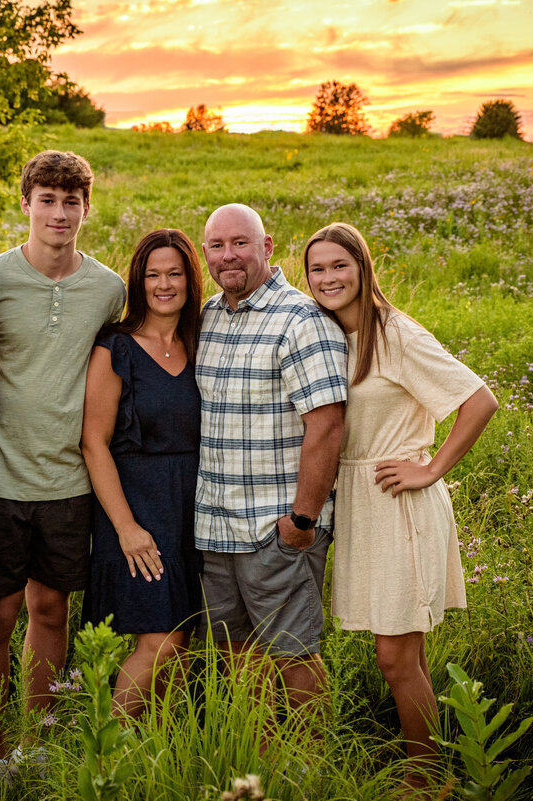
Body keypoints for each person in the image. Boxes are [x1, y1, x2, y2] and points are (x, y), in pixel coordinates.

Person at [303, 222, 498, 789]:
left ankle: (426, 779)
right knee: (396, 654)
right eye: (317, 268)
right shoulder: (330, 333)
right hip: (358, 504)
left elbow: (479, 400)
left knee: (396, 656)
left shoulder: (395, 333)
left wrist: (431, 467)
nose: (329, 277)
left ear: (363, 268)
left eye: (340, 265)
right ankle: (425, 768)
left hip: (397, 502)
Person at [0, 151, 126, 756]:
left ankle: (34, 743)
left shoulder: (107, 288)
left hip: (68, 479)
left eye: (72, 201)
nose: (60, 213)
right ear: (26, 202)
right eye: (48, 200)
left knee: (51, 608)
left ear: (86, 208)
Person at [194, 203, 347, 716]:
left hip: (275, 528)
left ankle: (312, 766)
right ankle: (263, 755)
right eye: (216, 246)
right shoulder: (209, 317)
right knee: (238, 650)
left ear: (267, 246)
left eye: (240, 243)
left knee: (294, 654)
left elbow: (326, 426)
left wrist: (302, 521)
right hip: (215, 528)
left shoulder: (301, 319)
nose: (227, 255)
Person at [80, 229, 204, 717]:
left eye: (175, 273)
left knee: (184, 641)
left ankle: (155, 754)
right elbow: (93, 442)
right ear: (139, 281)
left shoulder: (204, 342)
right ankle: (104, 753)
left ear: (191, 280)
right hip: (136, 510)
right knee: (162, 640)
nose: (164, 284)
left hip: (195, 512)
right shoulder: (116, 347)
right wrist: (127, 529)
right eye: (153, 274)